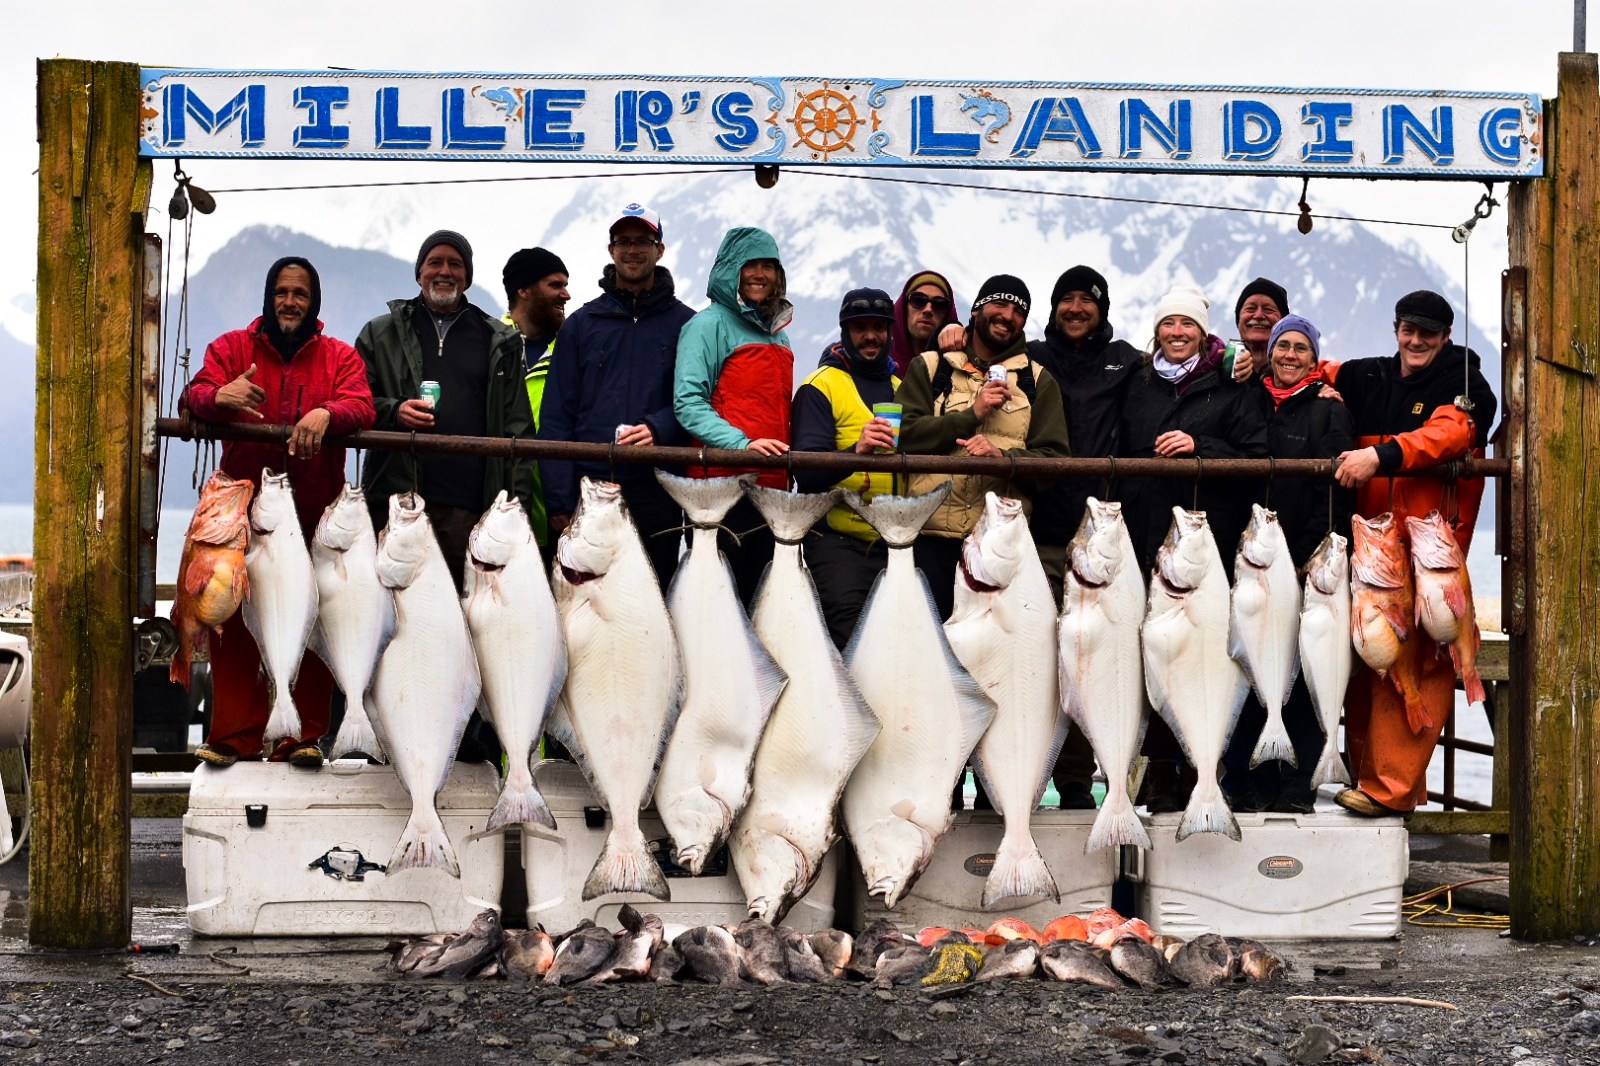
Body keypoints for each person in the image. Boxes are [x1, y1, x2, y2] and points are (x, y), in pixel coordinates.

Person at [184, 257, 376, 769]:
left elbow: (362, 405)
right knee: (234, 622)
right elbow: (194, 397)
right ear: (269, 296)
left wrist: (328, 412)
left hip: (313, 518)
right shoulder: (231, 349)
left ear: (314, 302)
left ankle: (303, 736)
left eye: (300, 294)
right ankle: (235, 736)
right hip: (243, 519)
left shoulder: (338, 357)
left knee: (310, 620)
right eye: (282, 292)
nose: (290, 302)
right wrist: (219, 395)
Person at [1330, 290, 1497, 817]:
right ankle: (1373, 782)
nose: (1417, 340)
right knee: (1369, 661)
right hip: (1374, 554)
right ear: (1396, 329)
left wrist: (1379, 456)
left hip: (1429, 559)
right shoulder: (1368, 376)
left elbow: (1451, 435)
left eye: (1428, 332)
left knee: (1421, 663)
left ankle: (1391, 791)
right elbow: (1309, 367)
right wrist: (1245, 360)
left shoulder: (1466, 384)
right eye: (1409, 329)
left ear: (1446, 336)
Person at [1116, 285, 1268, 812]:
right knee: (1157, 650)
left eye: (1187, 325)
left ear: (1204, 333)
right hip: (1147, 536)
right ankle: (1161, 769)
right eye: (1168, 323)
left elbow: (1256, 455)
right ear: (1156, 330)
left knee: (1206, 654)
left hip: (1208, 547)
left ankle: (1205, 765)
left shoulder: (1231, 383)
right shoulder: (1137, 382)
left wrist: (1198, 447)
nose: (1177, 333)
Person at [1221, 313, 1355, 814]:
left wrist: (1313, 553)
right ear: (1270, 351)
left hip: (1303, 562)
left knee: (1301, 674)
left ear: (1315, 359)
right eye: (1283, 346)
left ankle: (1300, 783)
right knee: (1250, 665)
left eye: (1301, 348)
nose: (1290, 355)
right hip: (1253, 559)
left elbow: (1338, 491)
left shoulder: (1328, 410)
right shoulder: (1248, 398)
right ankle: (1246, 780)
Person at [356, 229, 534, 593]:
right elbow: (355, 402)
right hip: (396, 505)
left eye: (455, 264)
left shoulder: (497, 340)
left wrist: (517, 511)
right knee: (396, 610)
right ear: (419, 273)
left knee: (460, 613)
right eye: (434, 262)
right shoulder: (380, 333)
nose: (445, 271)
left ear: (467, 276)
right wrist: (395, 411)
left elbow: (518, 429)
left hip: (469, 511)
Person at [1024, 265, 1142, 810]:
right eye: (1065, 299)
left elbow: (1185, 361)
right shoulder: (1028, 358)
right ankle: (1017, 777)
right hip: (1034, 536)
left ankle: (1075, 778)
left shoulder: (1126, 361)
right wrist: (952, 331)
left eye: (1086, 300)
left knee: (1087, 661)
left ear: (1102, 308)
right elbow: (971, 362)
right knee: (1030, 660)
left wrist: (1232, 356)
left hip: (1099, 544)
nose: (1075, 308)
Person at [897, 274, 1071, 622]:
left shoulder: (1038, 381)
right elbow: (902, 435)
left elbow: (1055, 462)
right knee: (921, 644)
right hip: (927, 539)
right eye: (1000, 304)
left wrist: (1004, 460)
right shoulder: (931, 367)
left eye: (1019, 311)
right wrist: (971, 415)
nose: (1008, 315)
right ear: (976, 310)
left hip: (1000, 550)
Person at [540, 204, 695, 590]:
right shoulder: (581, 325)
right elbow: (557, 414)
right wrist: (559, 499)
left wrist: (659, 428)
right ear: (611, 250)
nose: (633, 250)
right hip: (590, 489)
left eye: (643, 241)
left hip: (659, 489)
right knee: (588, 600)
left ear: (660, 249)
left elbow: (697, 400)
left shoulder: (688, 324)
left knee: (652, 596)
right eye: (624, 242)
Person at [674, 226, 795, 609]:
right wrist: (742, 445)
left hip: (772, 494)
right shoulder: (707, 325)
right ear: (730, 270)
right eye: (749, 265)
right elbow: (688, 402)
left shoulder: (780, 336)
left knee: (763, 612)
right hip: (720, 493)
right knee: (717, 611)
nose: (760, 274)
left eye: (768, 266)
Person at [791, 288, 901, 649]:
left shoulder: (902, 388)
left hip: (894, 544)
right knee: (853, 642)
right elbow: (806, 473)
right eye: (859, 328)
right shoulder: (819, 385)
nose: (870, 336)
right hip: (835, 545)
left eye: (879, 327)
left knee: (894, 646)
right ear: (844, 331)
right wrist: (857, 451)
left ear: (890, 331)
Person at [502, 246, 569, 555]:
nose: (566, 294)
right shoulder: (488, 343)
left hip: (558, 515)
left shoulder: (572, 348)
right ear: (524, 290)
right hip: (498, 515)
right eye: (555, 285)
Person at [889, 271, 962, 377]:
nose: (928, 310)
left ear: (947, 315)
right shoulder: (875, 357)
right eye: (918, 300)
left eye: (939, 304)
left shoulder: (958, 368)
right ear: (903, 308)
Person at [1230, 277, 1290, 380]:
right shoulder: (1214, 371)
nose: (1258, 315)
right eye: (1250, 308)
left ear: (1283, 322)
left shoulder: (1299, 377)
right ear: (1238, 320)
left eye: (1268, 309)